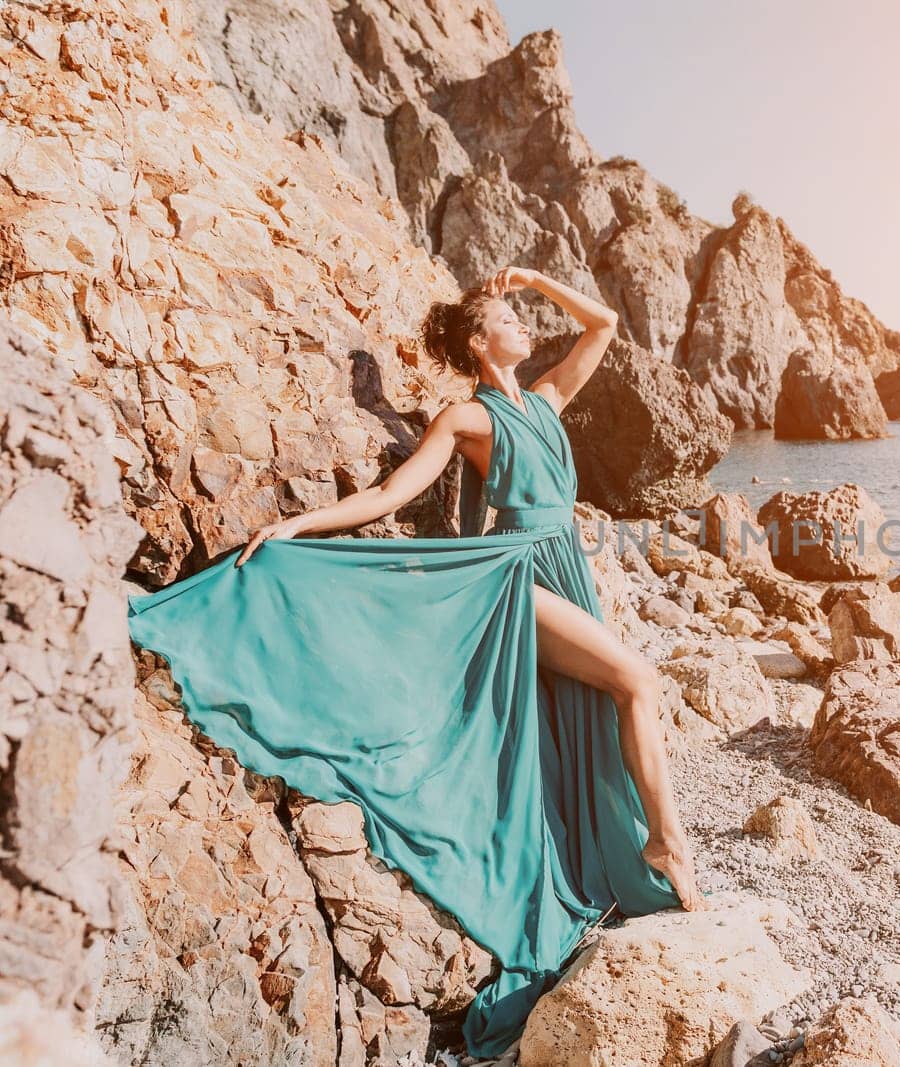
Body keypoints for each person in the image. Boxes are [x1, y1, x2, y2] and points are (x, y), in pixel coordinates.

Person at [125, 266, 707, 1058]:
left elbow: (603, 323)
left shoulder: (547, 400)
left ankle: (628, 847)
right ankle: (665, 842)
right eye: (510, 314)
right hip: (512, 577)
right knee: (636, 681)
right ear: (478, 340)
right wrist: (303, 527)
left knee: (606, 705)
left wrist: (534, 277)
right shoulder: (467, 414)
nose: (524, 324)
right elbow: (396, 492)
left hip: (568, 567)